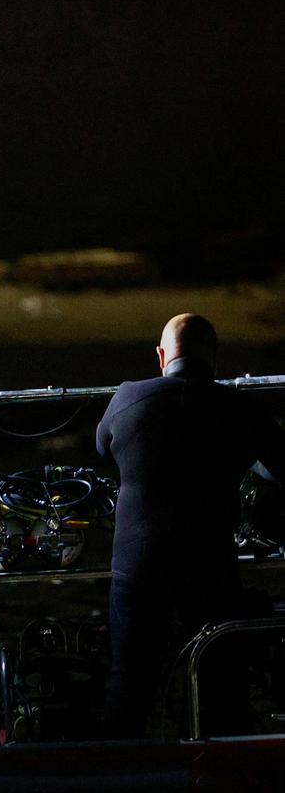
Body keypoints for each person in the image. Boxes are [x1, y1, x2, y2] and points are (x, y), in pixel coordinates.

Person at [95, 313, 285, 738]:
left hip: (137, 563)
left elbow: (102, 444)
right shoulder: (241, 408)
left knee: (128, 678)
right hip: (209, 564)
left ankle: (116, 775)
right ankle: (224, 775)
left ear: (161, 356)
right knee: (222, 677)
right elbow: (280, 466)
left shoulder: (127, 397)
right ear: (214, 360)